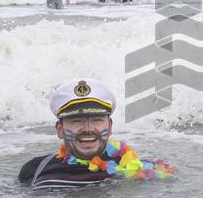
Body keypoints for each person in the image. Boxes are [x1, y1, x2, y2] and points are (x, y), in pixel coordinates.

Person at [18, 78, 174, 189]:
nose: (88, 129)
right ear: (59, 129)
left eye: (97, 120)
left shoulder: (140, 170)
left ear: (110, 126)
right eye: (76, 121)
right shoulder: (36, 170)